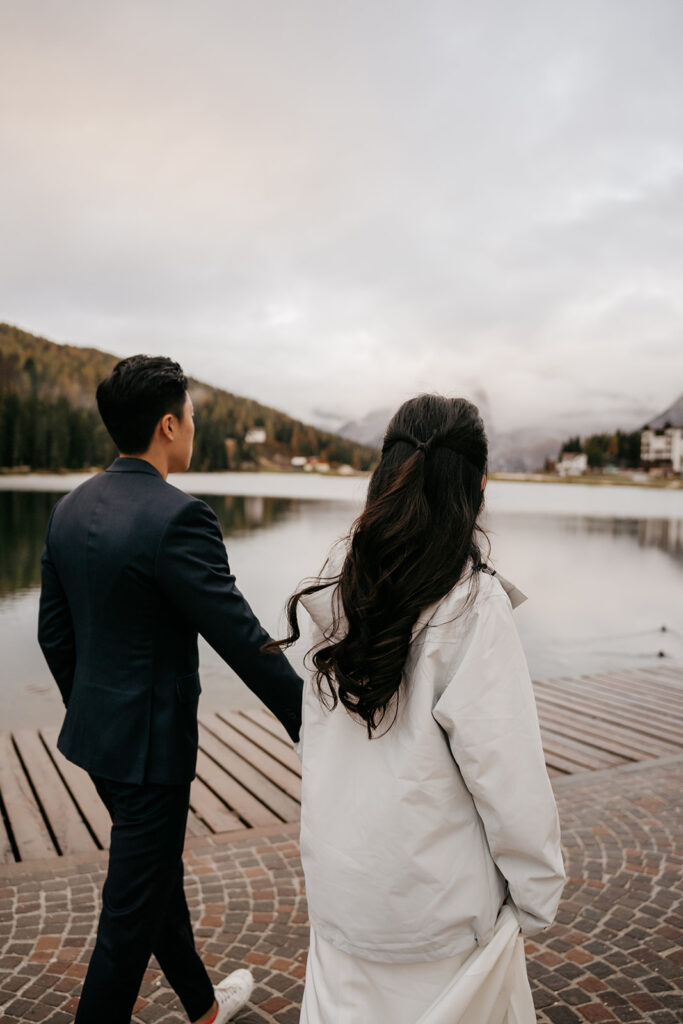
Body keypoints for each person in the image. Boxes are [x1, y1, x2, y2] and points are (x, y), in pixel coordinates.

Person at [268, 394, 566, 1023]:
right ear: (478, 487)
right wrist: (537, 893)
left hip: (343, 905)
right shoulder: (472, 604)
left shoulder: (337, 588)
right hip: (437, 922)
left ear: (386, 476)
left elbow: (317, 749)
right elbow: (507, 773)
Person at [38, 355, 304, 1024]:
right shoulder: (177, 518)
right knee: (127, 923)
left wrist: (94, 709)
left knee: (154, 883)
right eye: (190, 417)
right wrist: (310, 720)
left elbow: (53, 636)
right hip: (152, 758)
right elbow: (242, 639)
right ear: (166, 425)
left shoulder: (69, 508)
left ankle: (205, 1008)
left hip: (97, 743)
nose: (194, 428)